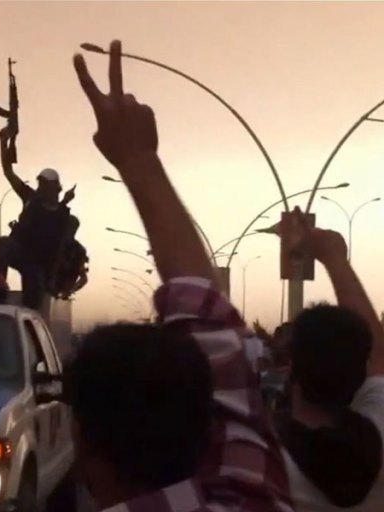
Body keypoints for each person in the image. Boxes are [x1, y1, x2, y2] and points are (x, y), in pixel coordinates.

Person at [64, 40, 291, 511]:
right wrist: (139, 158)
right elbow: (207, 315)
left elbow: (211, 324)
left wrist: (136, 159)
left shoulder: (250, 489)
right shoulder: (250, 497)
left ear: (82, 446)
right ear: (211, 427)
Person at [275, 210, 384, 511]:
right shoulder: (378, 431)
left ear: (292, 368)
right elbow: (378, 354)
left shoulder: (263, 465)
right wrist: (334, 257)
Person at [0, 126, 79, 310]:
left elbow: (61, 248)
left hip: (39, 264)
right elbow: (8, 172)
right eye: (40, 183)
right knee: (3, 243)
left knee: (32, 306)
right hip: (21, 252)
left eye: (46, 184)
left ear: (55, 188)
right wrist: (3, 142)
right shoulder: (31, 198)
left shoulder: (64, 216)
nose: (41, 188)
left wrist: (52, 280)